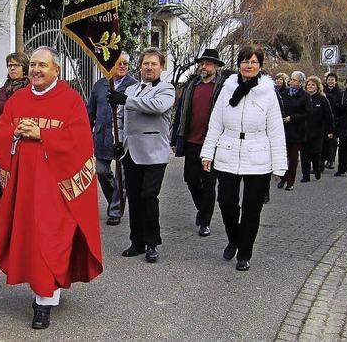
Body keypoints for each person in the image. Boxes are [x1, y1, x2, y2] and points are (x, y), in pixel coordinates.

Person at [0, 46, 103, 330]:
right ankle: (43, 292)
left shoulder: (71, 100)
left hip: (55, 188)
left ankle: (44, 302)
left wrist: (42, 134)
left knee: (51, 240)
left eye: (43, 66)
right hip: (25, 187)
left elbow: (79, 141)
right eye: (33, 66)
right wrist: (13, 133)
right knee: (31, 240)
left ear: (56, 70)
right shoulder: (18, 100)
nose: (36, 71)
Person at [201, 45, 286, 271]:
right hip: (228, 151)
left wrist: (279, 166)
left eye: (254, 62)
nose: (249, 65)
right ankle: (234, 239)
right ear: (239, 64)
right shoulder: (227, 89)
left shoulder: (268, 93)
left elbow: (276, 130)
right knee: (226, 203)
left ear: (260, 66)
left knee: (252, 209)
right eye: (245, 61)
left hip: (258, 155)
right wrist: (208, 152)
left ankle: (244, 252)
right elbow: (215, 123)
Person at [107, 47, 175, 263]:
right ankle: (137, 241)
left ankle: (152, 242)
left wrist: (125, 100)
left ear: (161, 67)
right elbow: (119, 117)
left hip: (155, 153)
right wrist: (117, 140)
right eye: (146, 63)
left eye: (154, 64)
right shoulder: (132, 89)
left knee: (148, 196)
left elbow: (156, 106)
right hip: (130, 151)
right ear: (140, 66)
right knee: (134, 198)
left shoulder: (167, 89)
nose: (149, 67)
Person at [171, 48, 225, 237]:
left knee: (209, 183)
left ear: (216, 67)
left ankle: (205, 221)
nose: (204, 66)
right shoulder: (191, 85)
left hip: (212, 144)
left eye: (208, 63)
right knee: (190, 179)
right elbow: (180, 112)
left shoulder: (222, 87)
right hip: (192, 140)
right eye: (202, 63)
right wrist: (175, 137)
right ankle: (203, 209)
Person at [86, 51, 137, 226]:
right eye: (119, 63)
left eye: (125, 64)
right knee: (101, 171)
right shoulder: (100, 85)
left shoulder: (134, 86)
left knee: (121, 176)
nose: (122, 66)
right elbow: (90, 111)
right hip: (101, 136)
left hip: (122, 138)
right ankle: (114, 201)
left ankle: (115, 211)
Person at [277, 71, 312, 191]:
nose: (291, 82)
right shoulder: (284, 93)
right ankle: (283, 177)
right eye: (291, 79)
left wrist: (292, 118)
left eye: (294, 80)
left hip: (297, 131)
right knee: (283, 157)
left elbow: (308, 113)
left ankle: (290, 181)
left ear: (301, 82)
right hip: (283, 130)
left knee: (292, 158)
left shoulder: (305, 96)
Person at [300, 76, 334, 182]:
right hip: (303, 132)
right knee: (304, 154)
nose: (310, 86)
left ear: (317, 87)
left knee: (315, 153)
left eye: (312, 85)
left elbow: (328, 116)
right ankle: (305, 175)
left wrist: (330, 131)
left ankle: (317, 169)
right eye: (308, 84)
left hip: (317, 132)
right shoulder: (302, 98)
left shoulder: (322, 99)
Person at [0, 51, 30, 125]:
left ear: (24, 68)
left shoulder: (31, 88)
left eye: (16, 65)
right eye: (10, 65)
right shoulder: (2, 91)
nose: (12, 68)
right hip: (6, 133)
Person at [323, 73, 342, 170]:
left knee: (333, 141)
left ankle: (331, 160)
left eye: (332, 79)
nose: (330, 81)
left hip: (335, 119)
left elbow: (338, 104)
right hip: (324, 118)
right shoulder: (322, 90)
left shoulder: (339, 92)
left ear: (336, 81)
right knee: (324, 141)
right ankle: (324, 159)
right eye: (329, 79)